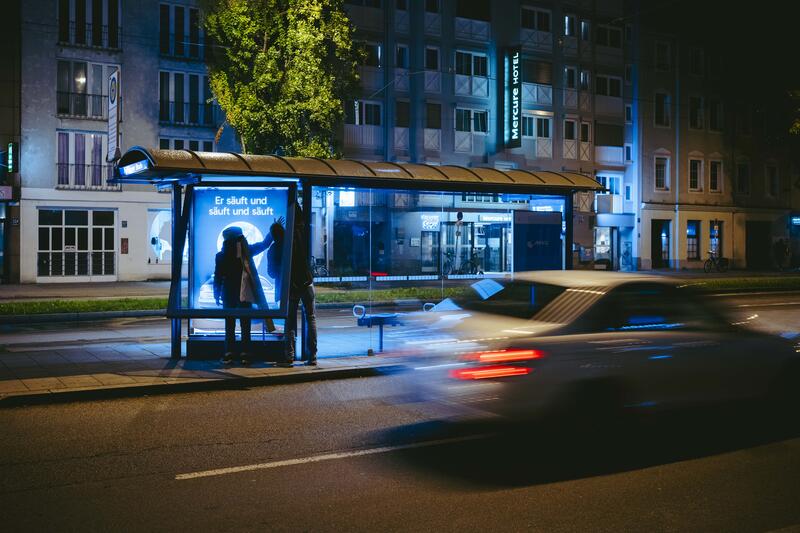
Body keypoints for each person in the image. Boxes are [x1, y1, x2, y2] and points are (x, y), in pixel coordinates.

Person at [213, 225, 274, 365]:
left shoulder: (220, 256)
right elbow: (264, 245)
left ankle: (229, 353)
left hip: (228, 294)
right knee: (245, 324)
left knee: (230, 324)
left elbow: (218, 276)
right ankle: (245, 352)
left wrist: (216, 294)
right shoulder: (246, 252)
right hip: (244, 293)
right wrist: (272, 232)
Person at [269, 204, 318, 367]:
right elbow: (299, 223)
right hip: (306, 282)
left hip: (290, 287)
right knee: (310, 318)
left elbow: (271, 273)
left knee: (290, 321)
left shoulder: (275, 249)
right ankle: (312, 357)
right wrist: (293, 202)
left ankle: (289, 356)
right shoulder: (296, 239)